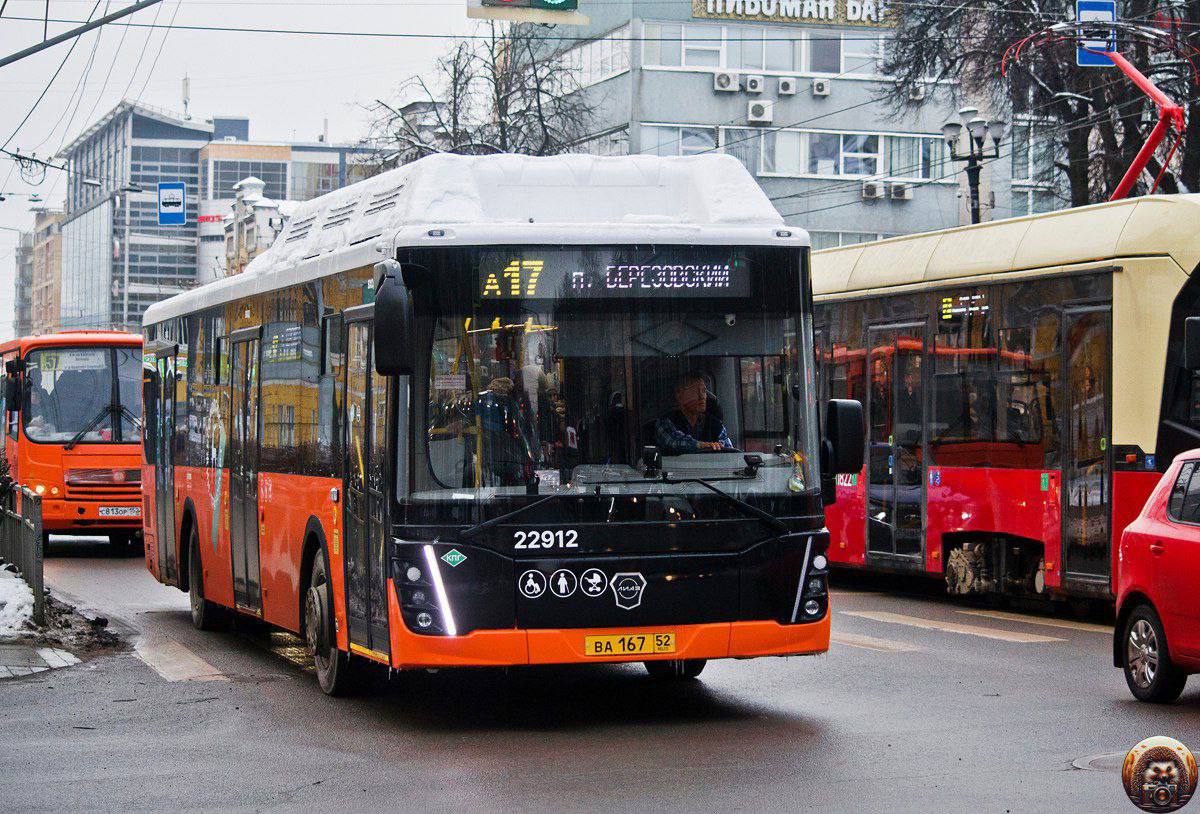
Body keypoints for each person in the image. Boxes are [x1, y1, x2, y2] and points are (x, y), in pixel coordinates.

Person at [654, 372, 733, 453]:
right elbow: (674, 442)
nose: (702, 396)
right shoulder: (665, 422)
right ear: (679, 395)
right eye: (695, 391)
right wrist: (703, 445)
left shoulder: (716, 425)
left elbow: (729, 452)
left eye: (704, 391)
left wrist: (718, 447)